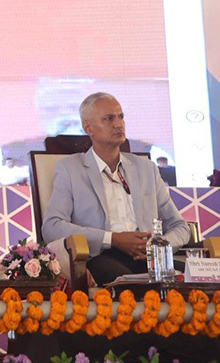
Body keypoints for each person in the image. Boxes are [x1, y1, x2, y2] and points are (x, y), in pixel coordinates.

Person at [42, 92, 191, 283]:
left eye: (121, 117)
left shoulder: (145, 168)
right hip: (102, 256)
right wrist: (114, 239)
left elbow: (180, 227)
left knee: (197, 278)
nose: (118, 124)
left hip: (151, 258)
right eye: (108, 118)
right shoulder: (71, 169)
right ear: (88, 128)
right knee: (127, 282)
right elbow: (52, 226)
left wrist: (158, 246)